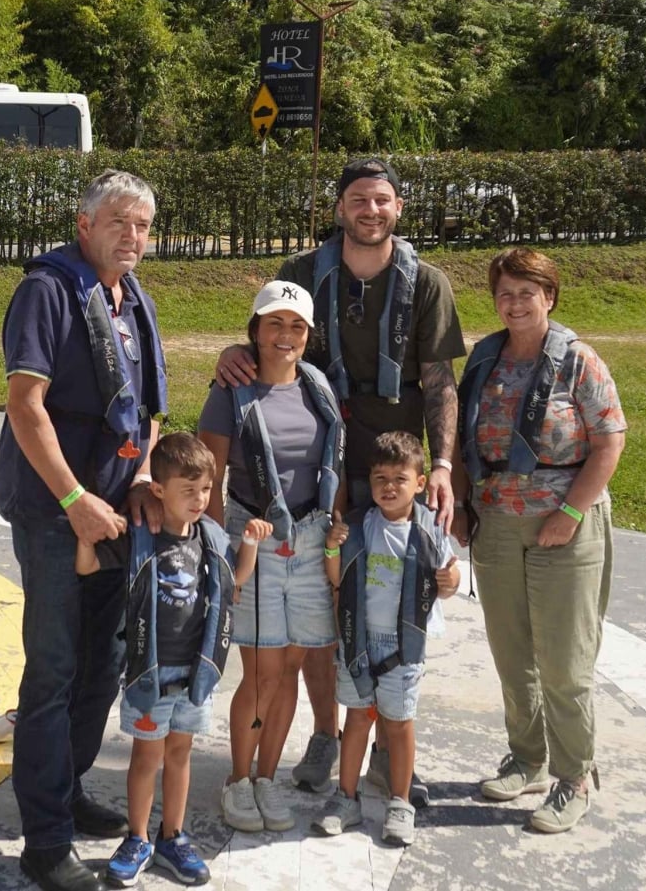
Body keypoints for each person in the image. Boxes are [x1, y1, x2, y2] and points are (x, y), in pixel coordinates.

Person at [216, 156, 466, 803]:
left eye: (382, 200)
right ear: (340, 208)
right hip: (321, 467)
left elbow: (440, 382)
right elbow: (268, 337)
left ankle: (385, 746)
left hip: (391, 468)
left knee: (391, 601)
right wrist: (235, 353)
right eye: (358, 199)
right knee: (327, 612)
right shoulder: (304, 272)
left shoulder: (427, 282)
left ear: (398, 208)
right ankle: (327, 733)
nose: (370, 210)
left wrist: (441, 465)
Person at [0, 169, 166, 891]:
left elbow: (148, 413)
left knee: (104, 665)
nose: (132, 236)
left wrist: (143, 480)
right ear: (85, 224)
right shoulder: (48, 291)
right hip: (56, 513)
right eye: (119, 221)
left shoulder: (134, 299)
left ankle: (65, 791)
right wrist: (74, 500)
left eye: (143, 225)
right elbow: (25, 404)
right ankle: (44, 840)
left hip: (116, 512)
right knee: (55, 670)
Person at [453, 247, 626, 834]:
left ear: (549, 297)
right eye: (505, 293)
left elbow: (609, 443)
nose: (515, 303)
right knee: (512, 654)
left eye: (527, 292)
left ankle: (574, 777)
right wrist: (462, 504)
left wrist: (571, 512)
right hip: (497, 522)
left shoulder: (579, 361)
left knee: (564, 663)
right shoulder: (484, 360)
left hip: (564, 525)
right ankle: (527, 759)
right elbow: (461, 441)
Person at [198, 280, 347, 833]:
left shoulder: (317, 385)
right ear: (255, 331)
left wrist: (335, 527)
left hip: (310, 541)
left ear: (309, 336)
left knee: (288, 670)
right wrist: (222, 554)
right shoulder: (230, 391)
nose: (286, 335)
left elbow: (331, 463)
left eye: (297, 326)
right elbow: (210, 481)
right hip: (254, 539)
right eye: (274, 324)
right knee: (260, 673)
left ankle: (266, 778)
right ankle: (239, 779)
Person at [312, 431, 460, 846]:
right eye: (380, 478)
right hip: (359, 640)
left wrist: (451, 580)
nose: (389, 487)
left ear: (420, 482)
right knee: (357, 718)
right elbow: (337, 578)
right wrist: (331, 548)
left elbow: (447, 580)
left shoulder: (430, 528)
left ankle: (400, 802)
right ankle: (346, 798)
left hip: (404, 646)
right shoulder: (359, 525)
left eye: (400, 479)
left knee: (398, 724)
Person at [104, 433, 238, 888]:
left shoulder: (209, 538)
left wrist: (252, 547)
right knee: (147, 758)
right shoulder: (142, 537)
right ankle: (138, 838)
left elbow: (233, 584)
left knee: (180, 755)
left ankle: (172, 836)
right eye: (189, 490)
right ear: (158, 489)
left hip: (194, 673)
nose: (200, 500)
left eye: (206, 489)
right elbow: (92, 564)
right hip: (151, 672)